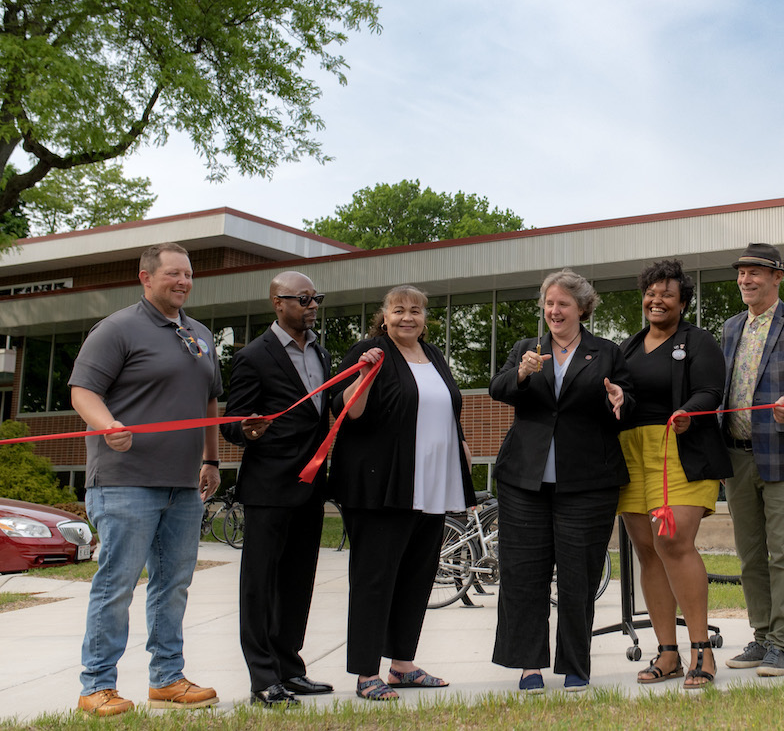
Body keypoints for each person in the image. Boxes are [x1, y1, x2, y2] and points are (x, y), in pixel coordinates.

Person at [69, 243, 222, 716]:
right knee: (117, 583)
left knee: (172, 585)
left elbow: (210, 401)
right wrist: (107, 425)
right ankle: (96, 686)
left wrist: (212, 460)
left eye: (188, 275)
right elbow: (82, 391)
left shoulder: (199, 334)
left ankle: (168, 679)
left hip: (182, 484)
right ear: (146, 277)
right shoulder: (117, 329)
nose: (182, 282)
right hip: (124, 482)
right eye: (173, 273)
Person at [490, 268, 635, 695]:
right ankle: (528, 664)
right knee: (523, 574)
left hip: (587, 482)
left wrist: (620, 399)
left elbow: (628, 397)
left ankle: (575, 663)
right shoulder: (525, 349)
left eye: (563, 304)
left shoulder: (606, 352)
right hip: (523, 482)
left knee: (579, 576)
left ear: (581, 308)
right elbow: (499, 388)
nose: (554, 311)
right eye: (549, 303)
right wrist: (520, 373)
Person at [328, 285, 476, 701]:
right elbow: (347, 412)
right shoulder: (370, 351)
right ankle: (364, 672)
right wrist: (361, 374)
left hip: (431, 485)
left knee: (417, 575)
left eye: (415, 310)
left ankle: (402, 666)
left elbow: (445, 408)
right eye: (399, 310)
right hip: (382, 486)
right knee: (375, 578)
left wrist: (461, 445)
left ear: (425, 318)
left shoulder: (435, 356)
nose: (407, 317)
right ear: (385, 315)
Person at [219, 271, 333, 707]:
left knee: (298, 582)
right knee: (261, 585)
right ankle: (263, 677)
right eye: (303, 298)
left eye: (315, 297)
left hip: (310, 485)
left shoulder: (320, 353)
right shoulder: (252, 356)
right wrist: (245, 431)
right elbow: (232, 422)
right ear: (277, 303)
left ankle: (290, 668)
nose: (312, 305)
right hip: (268, 487)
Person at [616, 259, 728, 689]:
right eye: (650, 292)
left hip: (680, 447)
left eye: (666, 293)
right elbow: (619, 392)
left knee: (674, 541)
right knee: (647, 550)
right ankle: (667, 653)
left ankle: (702, 649)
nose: (656, 300)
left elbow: (710, 391)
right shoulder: (627, 347)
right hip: (632, 451)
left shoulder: (698, 341)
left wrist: (688, 411)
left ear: (682, 301)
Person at [719, 243, 784, 678]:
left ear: (777, 277)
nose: (746, 279)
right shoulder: (728, 329)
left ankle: (781, 645)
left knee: (782, 555)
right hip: (736, 457)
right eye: (742, 273)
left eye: (755, 273)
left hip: (782, 454)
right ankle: (760, 636)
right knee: (748, 555)